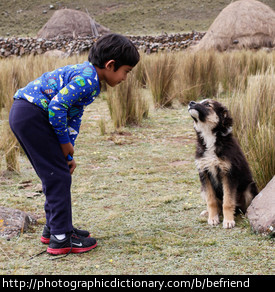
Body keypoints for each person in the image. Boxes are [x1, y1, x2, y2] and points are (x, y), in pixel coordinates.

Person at [9, 33, 140, 255]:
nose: (125, 78)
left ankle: (56, 228)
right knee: (58, 176)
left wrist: (67, 154)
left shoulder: (88, 77)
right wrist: (63, 142)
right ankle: (61, 239)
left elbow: (72, 118)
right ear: (110, 65)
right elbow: (57, 108)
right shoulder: (88, 80)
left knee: (57, 172)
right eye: (126, 71)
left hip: (25, 114)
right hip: (32, 114)